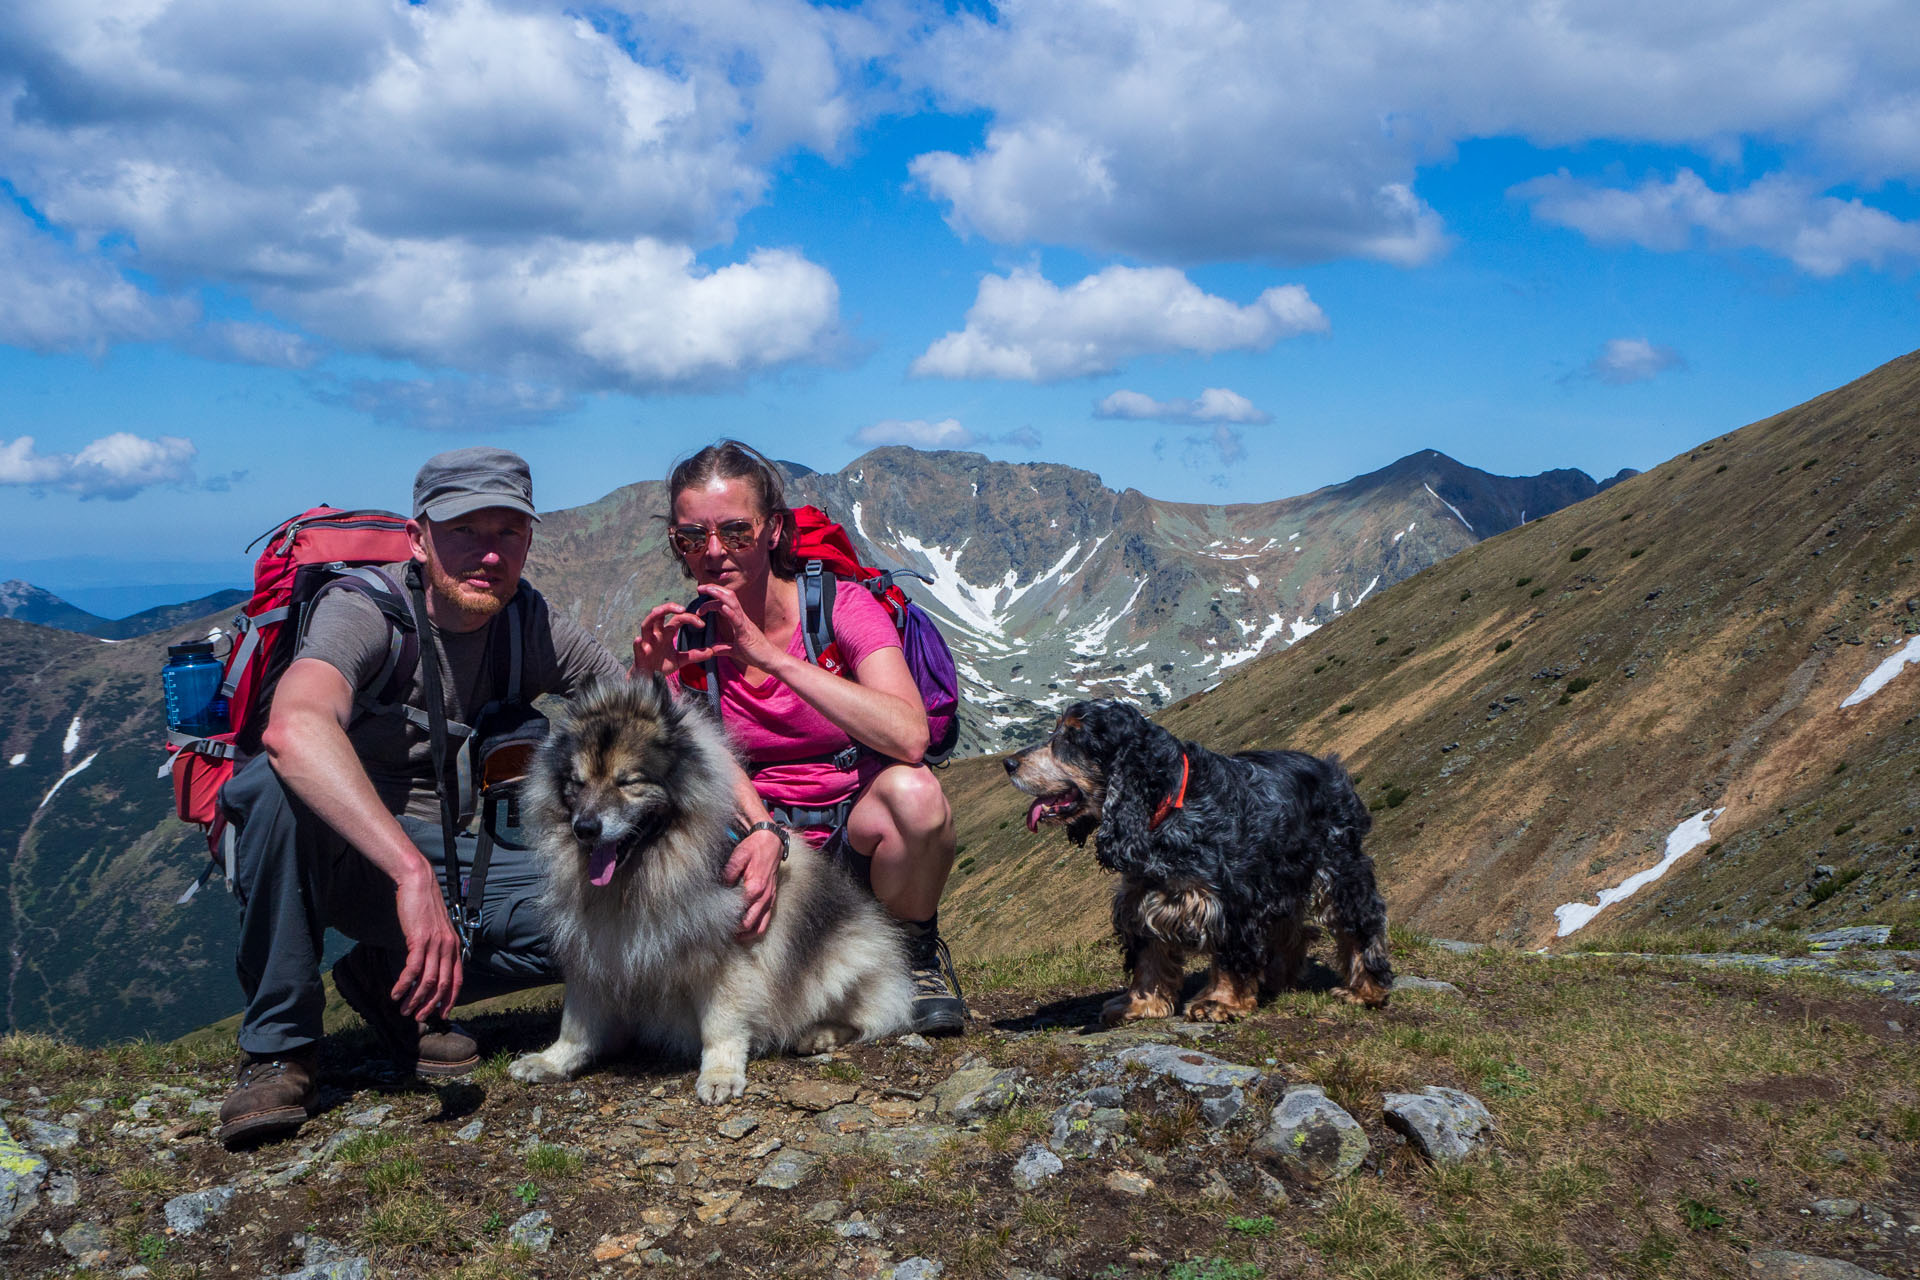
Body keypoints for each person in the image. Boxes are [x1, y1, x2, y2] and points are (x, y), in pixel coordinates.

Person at [215, 446, 792, 1147]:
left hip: (469, 864)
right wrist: (408, 872)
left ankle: (388, 982)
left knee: (622, 934)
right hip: (354, 855)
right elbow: (293, 727)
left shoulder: (531, 623)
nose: (488, 556)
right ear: (418, 538)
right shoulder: (363, 614)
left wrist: (762, 829)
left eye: (508, 534)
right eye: (464, 532)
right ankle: (280, 1049)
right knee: (274, 787)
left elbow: (663, 730)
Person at [630, 441, 968, 1035]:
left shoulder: (841, 605)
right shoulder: (685, 638)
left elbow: (909, 736)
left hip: (853, 828)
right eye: (691, 538)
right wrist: (650, 691)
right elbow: (698, 767)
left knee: (917, 797)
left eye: (735, 531)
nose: (713, 552)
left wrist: (772, 657)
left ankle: (914, 957)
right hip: (758, 831)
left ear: (772, 531)